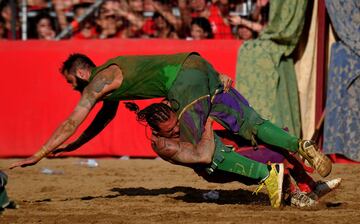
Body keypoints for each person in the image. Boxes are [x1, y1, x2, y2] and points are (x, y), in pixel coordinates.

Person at [9, 52, 332, 207]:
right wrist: (70, 147)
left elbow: (72, 120)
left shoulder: (99, 80)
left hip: (185, 82)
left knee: (202, 154)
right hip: (202, 68)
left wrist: (39, 153)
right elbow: (98, 123)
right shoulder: (113, 83)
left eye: (72, 83)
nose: (74, 90)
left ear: (81, 72)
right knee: (253, 125)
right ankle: (301, 147)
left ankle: (270, 178)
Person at [125, 101, 341, 207]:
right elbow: (204, 156)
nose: (176, 130)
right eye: (170, 130)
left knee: (273, 143)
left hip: (221, 146)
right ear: (157, 132)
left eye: (176, 123)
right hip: (216, 164)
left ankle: (308, 187)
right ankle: (297, 195)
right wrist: (208, 124)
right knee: (272, 157)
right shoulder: (164, 145)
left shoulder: (182, 115)